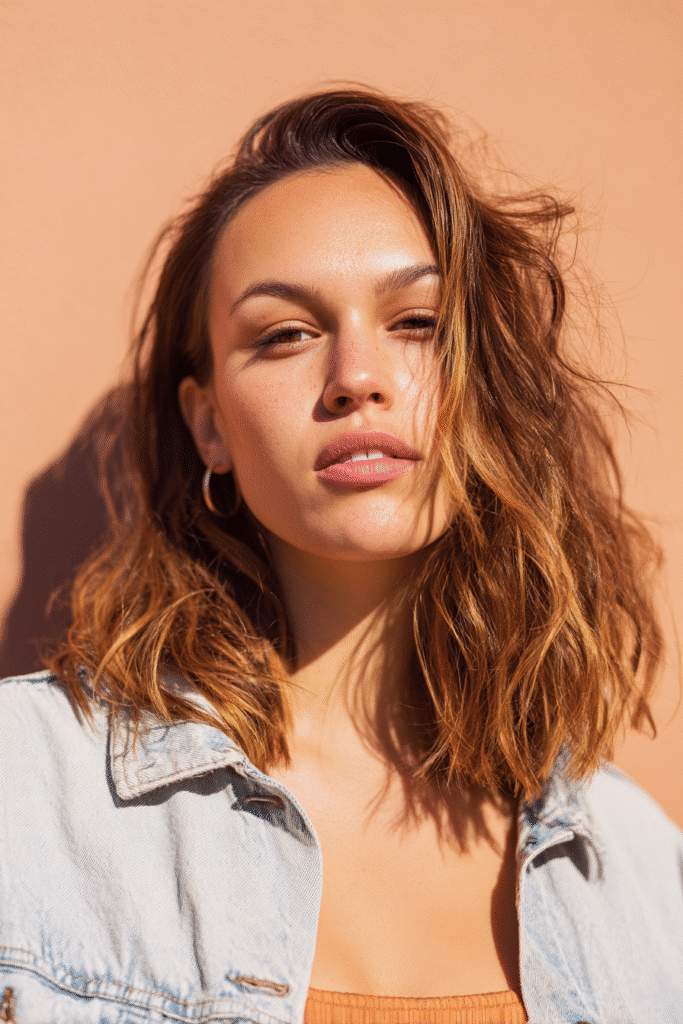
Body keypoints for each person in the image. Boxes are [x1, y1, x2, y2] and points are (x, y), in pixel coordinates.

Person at [0, 86, 681, 1024]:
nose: (358, 379)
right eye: (285, 334)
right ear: (209, 427)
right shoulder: (26, 794)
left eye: (417, 323)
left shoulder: (635, 870)